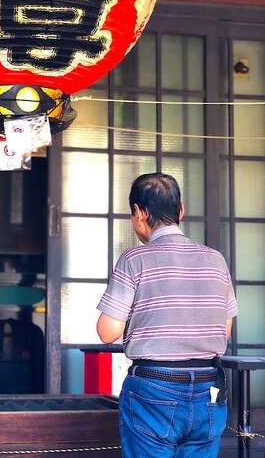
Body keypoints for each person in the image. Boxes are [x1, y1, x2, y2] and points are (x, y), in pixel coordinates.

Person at [96, 172, 238, 458]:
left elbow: (107, 331)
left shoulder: (135, 259)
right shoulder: (215, 260)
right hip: (208, 389)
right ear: (181, 209)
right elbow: (224, 332)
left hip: (153, 389)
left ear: (138, 213)